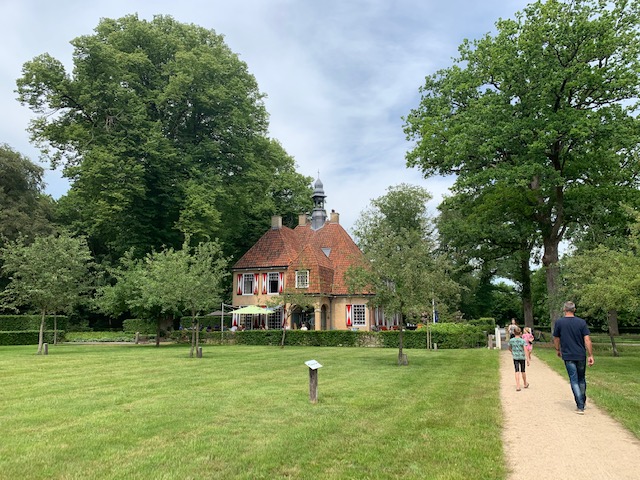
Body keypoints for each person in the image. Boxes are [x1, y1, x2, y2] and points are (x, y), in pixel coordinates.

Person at [553, 301, 595, 414]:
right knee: (581, 378)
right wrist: (590, 355)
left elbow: (556, 338)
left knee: (574, 379)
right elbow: (587, 339)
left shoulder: (559, 322)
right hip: (581, 354)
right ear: (574, 310)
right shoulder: (581, 322)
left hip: (568, 354)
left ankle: (580, 405)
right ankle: (583, 400)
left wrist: (558, 350)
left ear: (564, 309)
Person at [508, 326, 529, 391]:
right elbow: (525, 350)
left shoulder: (511, 340)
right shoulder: (522, 341)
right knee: (523, 370)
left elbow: (509, 348)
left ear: (514, 333)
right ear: (520, 333)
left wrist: (512, 352)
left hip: (515, 357)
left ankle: (518, 386)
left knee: (517, 371)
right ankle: (525, 383)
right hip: (522, 357)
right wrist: (528, 359)